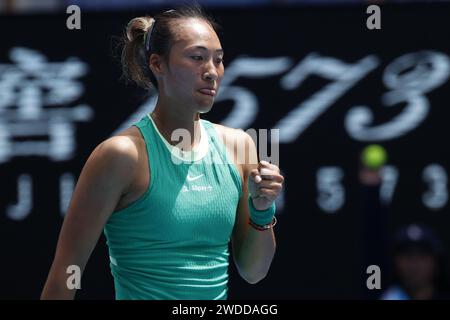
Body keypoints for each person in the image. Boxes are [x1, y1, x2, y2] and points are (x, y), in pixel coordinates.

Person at [41, 5, 284, 300]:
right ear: (157, 64)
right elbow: (64, 274)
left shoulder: (239, 145)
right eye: (197, 57)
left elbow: (254, 272)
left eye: (218, 60)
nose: (212, 72)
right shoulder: (121, 155)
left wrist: (262, 210)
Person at [381, 223, 450, 300]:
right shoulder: (390, 297)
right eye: (408, 256)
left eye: (422, 256)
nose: (414, 264)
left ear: (437, 263)